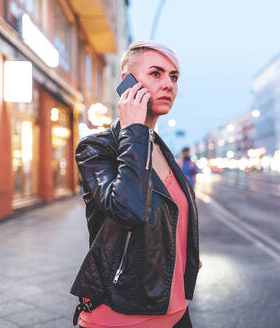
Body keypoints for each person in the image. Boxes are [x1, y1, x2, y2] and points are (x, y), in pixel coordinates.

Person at [70, 41, 201, 328]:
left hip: (176, 311)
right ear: (127, 83)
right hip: (121, 315)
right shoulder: (97, 148)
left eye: (174, 76)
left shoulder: (160, 149)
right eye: (156, 73)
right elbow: (128, 210)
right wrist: (133, 130)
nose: (168, 84)